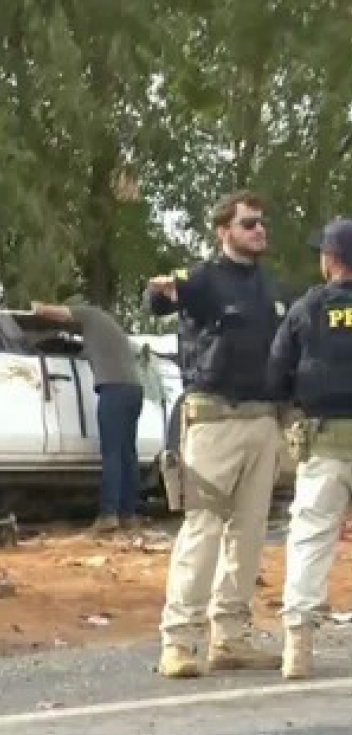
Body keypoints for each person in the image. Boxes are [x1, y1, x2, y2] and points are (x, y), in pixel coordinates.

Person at [144, 190, 289, 678]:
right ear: (223, 231)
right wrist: (161, 289)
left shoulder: (269, 286)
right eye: (249, 224)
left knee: (249, 534)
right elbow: (159, 300)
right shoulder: (204, 279)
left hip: (262, 418)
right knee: (203, 530)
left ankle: (230, 637)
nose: (259, 231)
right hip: (214, 418)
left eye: (261, 223)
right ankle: (178, 640)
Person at [266, 217, 352, 679]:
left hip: (325, 442)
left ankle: (297, 646)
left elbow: (277, 371)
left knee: (311, 539)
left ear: (330, 260)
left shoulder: (308, 308)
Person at [31, 298, 145, 533]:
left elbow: (59, 312)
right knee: (127, 453)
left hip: (114, 390)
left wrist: (38, 309)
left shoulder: (91, 313)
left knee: (112, 452)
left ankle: (108, 515)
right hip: (133, 389)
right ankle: (129, 515)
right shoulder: (110, 330)